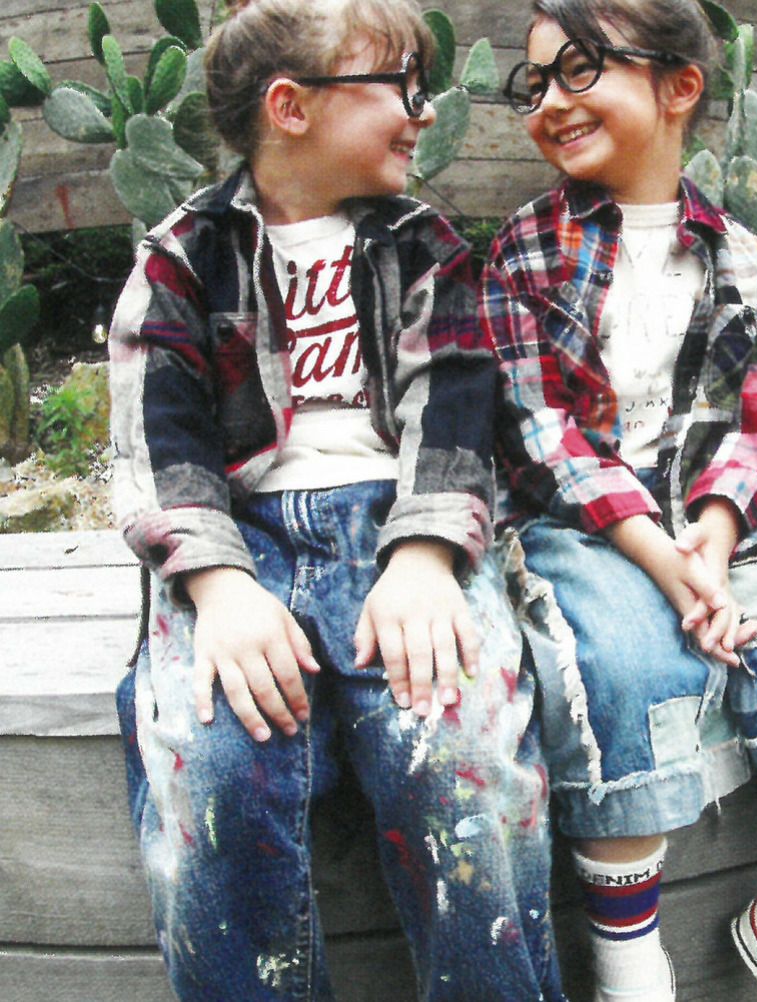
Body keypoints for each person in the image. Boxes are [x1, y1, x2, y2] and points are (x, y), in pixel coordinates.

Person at [109, 1, 566, 999]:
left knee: (459, 750)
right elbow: (158, 441)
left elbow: (457, 408)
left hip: (398, 525)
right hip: (237, 542)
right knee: (213, 767)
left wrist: (426, 559)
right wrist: (219, 589)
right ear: (291, 107)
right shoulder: (181, 258)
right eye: (400, 87)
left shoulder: (424, 247)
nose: (423, 111)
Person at [479, 1, 757, 1000]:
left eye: (578, 69)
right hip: (589, 526)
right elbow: (538, 431)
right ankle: (630, 971)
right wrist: (659, 557)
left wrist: (711, 545)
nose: (548, 101)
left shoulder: (744, 256)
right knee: (626, 666)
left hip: (722, 522)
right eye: (533, 83)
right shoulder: (524, 253)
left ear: (679, 87)